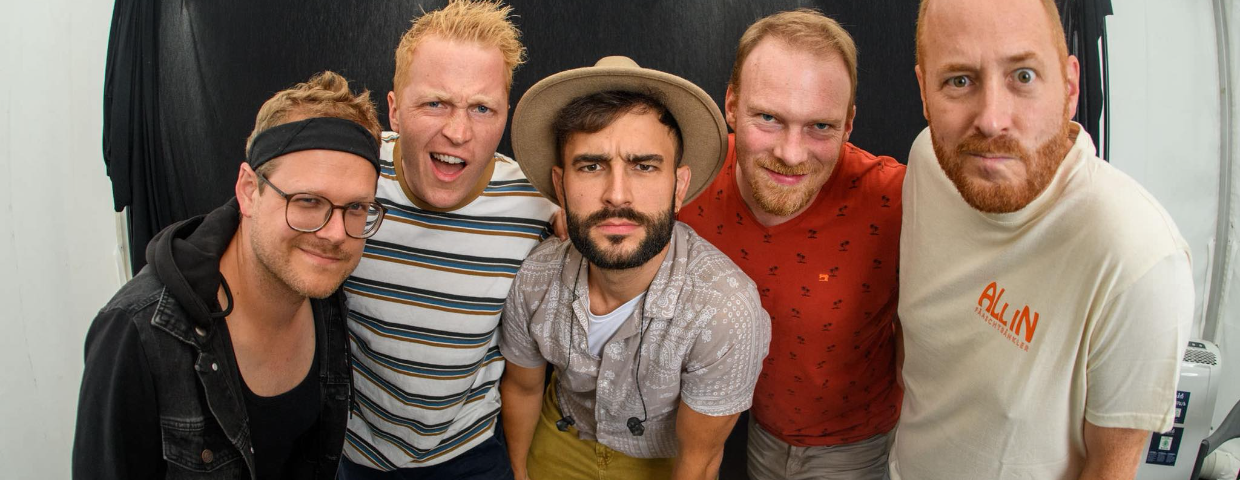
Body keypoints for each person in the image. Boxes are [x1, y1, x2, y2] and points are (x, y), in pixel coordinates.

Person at [891, 0, 1194, 478]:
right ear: (925, 94)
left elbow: (1110, 467)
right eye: (959, 81)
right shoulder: (928, 162)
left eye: (1024, 76)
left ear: (1070, 88)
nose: (991, 120)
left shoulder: (1138, 257)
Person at [72, 71, 385, 479]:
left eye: (356, 208)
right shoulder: (139, 333)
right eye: (308, 201)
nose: (335, 234)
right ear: (249, 191)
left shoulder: (325, 301)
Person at [498, 56, 772, 480]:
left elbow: (699, 460)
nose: (616, 195)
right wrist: (519, 473)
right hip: (560, 434)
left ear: (678, 186)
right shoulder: (535, 277)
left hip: (662, 461)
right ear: (560, 186)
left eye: (644, 166)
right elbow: (522, 387)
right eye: (591, 166)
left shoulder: (726, 311)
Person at [678, 10, 905, 480]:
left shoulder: (896, 198)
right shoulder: (687, 177)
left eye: (820, 126)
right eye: (768, 118)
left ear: (849, 124)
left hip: (860, 447)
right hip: (748, 432)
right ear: (731, 104)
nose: (791, 153)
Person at [336, 1, 558, 478]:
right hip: (351, 451)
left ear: (505, 118)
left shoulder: (538, 207)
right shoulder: (350, 177)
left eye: (482, 108)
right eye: (435, 103)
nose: (458, 133)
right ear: (395, 110)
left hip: (470, 452)